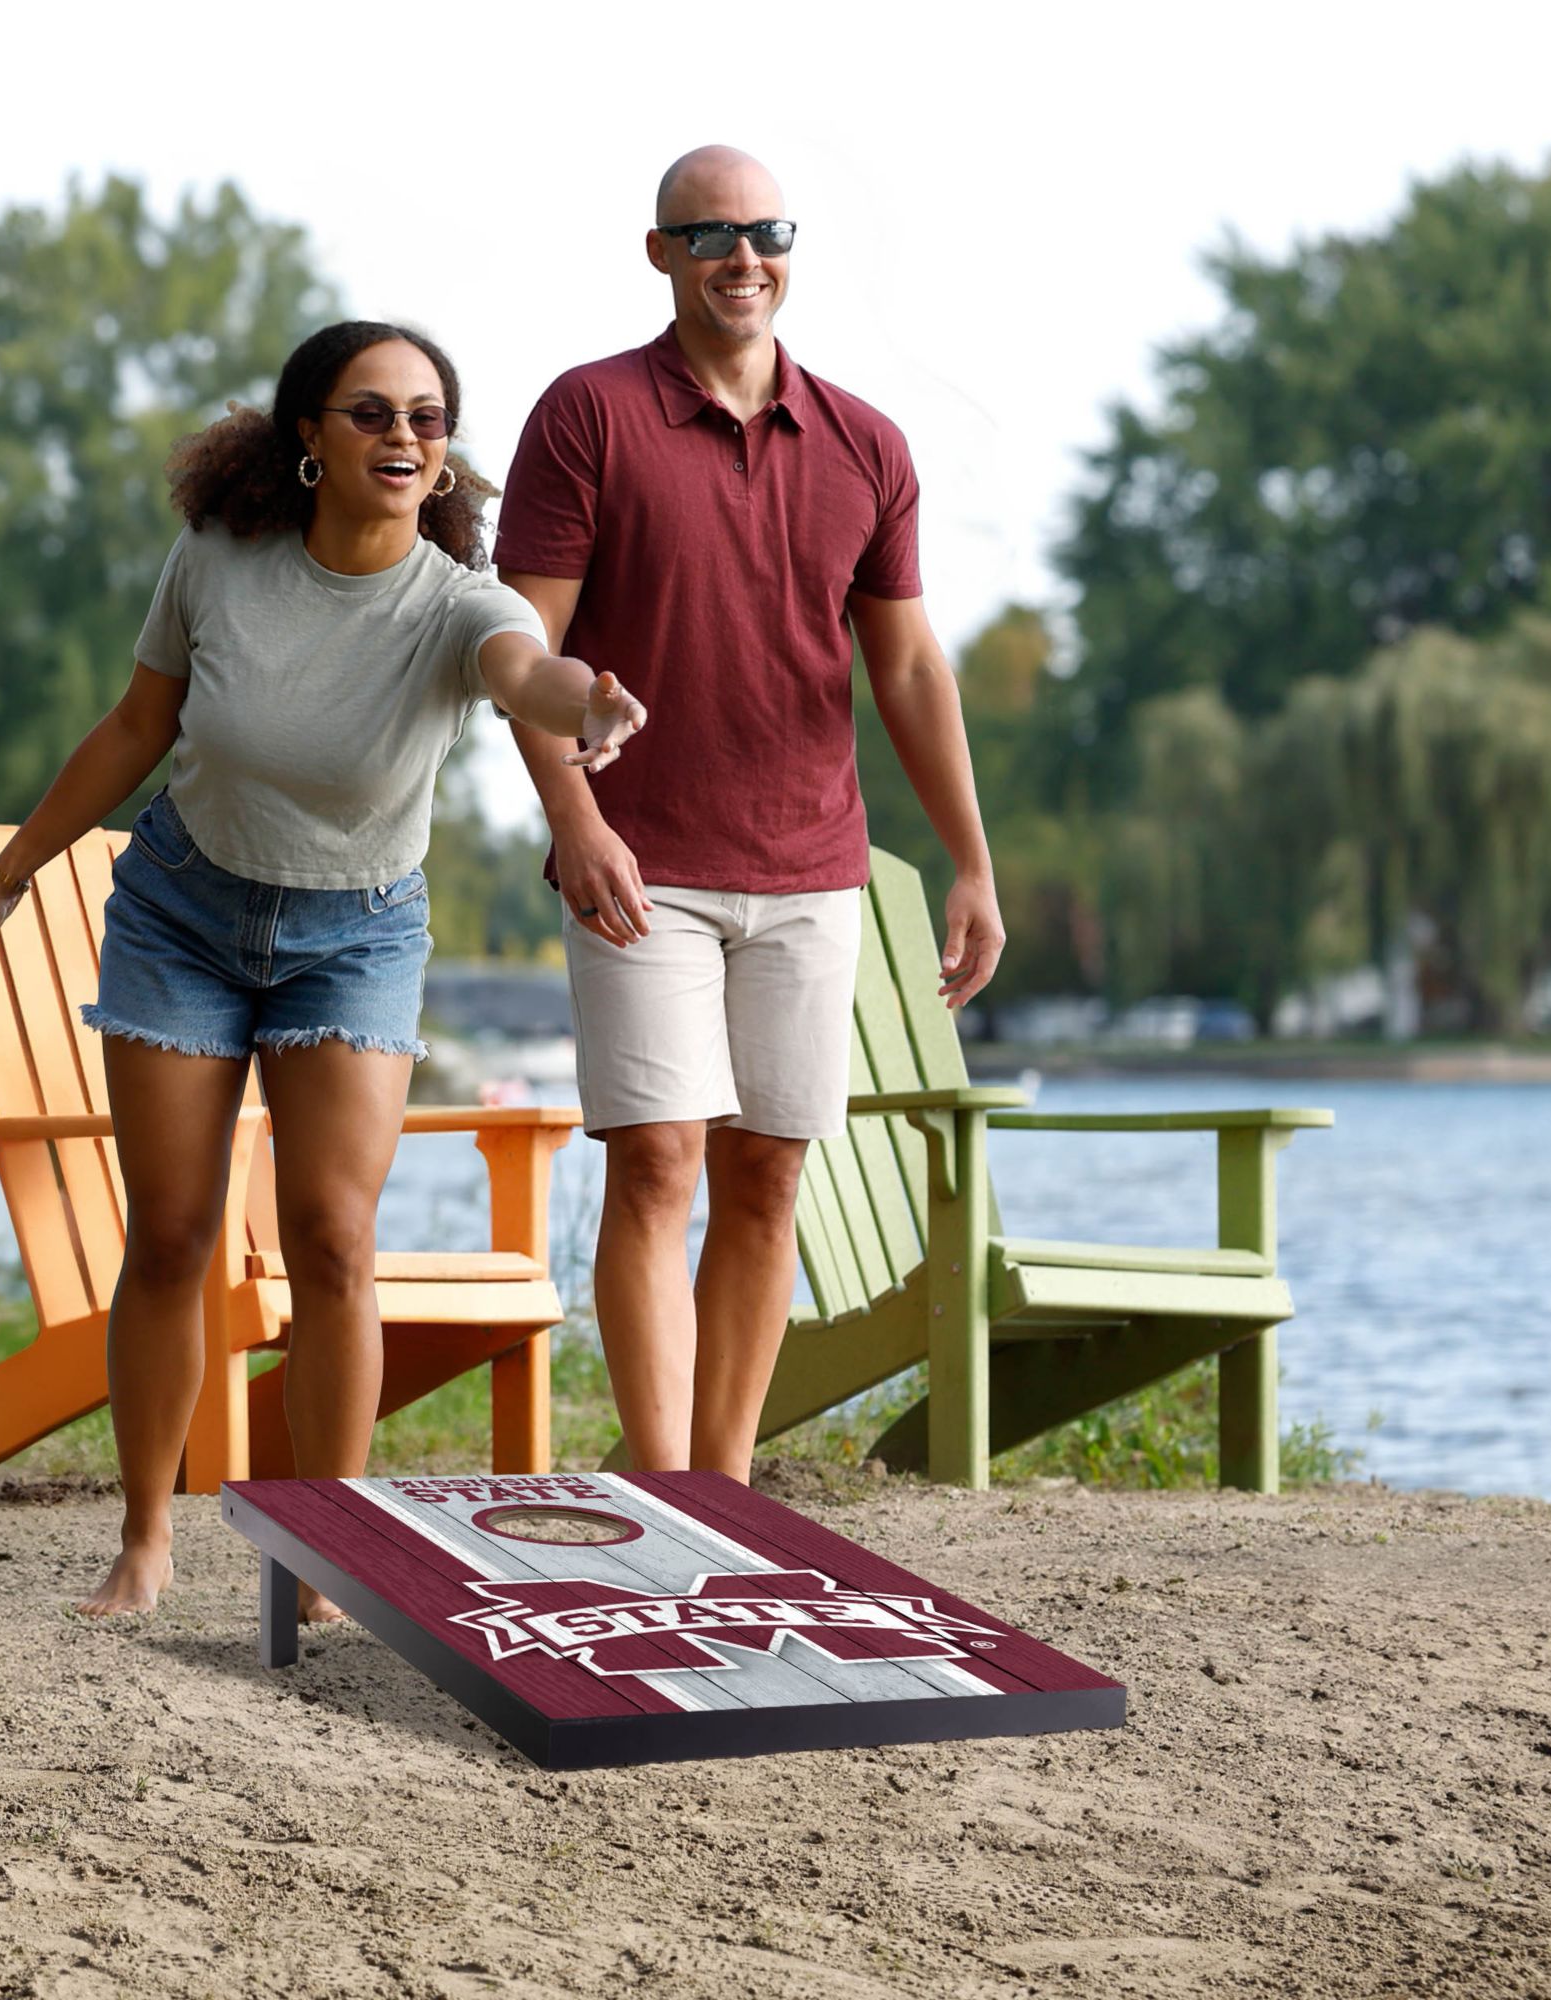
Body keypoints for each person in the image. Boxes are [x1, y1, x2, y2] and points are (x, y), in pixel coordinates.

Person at [0, 320, 646, 1619]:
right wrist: (16, 870)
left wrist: (586, 707)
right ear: (310, 440)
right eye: (371, 413)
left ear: (444, 459)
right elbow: (137, 726)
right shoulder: (219, 561)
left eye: (427, 420)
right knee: (171, 1234)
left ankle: (330, 1554)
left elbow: (525, 675)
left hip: (357, 935)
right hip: (182, 917)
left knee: (333, 1239)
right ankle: (148, 1539)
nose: (402, 438)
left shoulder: (459, 602)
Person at [493, 146, 1003, 1481]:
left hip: (810, 867)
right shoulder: (586, 416)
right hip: (639, 866)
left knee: (767, 1176)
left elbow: (908, 666)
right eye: (708, 233)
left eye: (764, 230)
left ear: (790, 247)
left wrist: (969, 862)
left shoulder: (865, 443)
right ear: (658, 252)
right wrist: (574, 821)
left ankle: (721, 1487)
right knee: (659, 1162)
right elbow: (515, 651)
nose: (741, 256)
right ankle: (662, 1487)